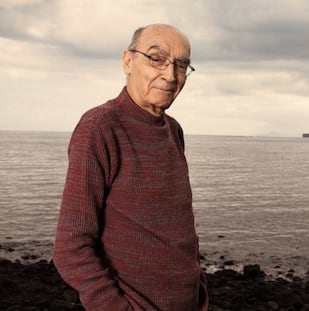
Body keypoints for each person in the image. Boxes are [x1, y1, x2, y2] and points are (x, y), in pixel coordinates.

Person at [53, 24, 208, 311]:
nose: (170, 75)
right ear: (128, 61)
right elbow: (70, 248)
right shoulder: (100, 128)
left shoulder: (173, 131)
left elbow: (177, 229)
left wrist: (198, 290)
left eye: (181, 65)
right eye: (156, 59)